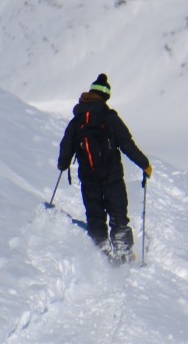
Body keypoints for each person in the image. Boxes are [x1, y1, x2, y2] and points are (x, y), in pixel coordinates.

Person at [57, 74, 152, 257]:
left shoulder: (76, 121)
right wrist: (145, 165)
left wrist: (63, 165)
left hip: (88, 177)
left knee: (95, 217)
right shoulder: (109, 118)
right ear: (105, 97)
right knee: (118, 215)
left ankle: (101, 253)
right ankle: (123, 255)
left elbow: (65, 152)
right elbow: (127, 144)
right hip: (112, 176)